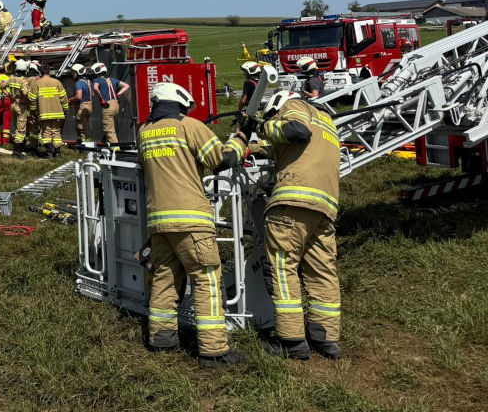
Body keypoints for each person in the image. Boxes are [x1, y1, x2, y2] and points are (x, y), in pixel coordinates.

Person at [139, 81, 246, 367]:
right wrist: (241, 138)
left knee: (164, 278)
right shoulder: (190, 126)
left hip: (158, 221)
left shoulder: (145, 132)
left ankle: (161, 339)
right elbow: (221, 159)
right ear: (180, 102)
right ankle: (213, 350)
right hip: (190, 218)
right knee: (206, 278)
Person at [248, 89, 343, 361]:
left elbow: (296, 131)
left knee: (282, 266)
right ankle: (326, 338)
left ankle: (291, 342)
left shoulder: (295, 105)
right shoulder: (327, 122)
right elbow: (291, 145)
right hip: (325, 207)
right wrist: (252, 147)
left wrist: (262, 126)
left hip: (293, 201)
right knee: (322, 271)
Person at [30, 62, 70, 158]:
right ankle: (57, 153)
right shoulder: (57, 82)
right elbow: (63, 97)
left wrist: (33, 110)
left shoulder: (37, 83)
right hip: (57, 113)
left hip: (44, 113)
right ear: (49, 72)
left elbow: (32, 99)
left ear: (40, 72)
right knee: (56, 132)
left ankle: (49, 153)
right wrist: (66, 109)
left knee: (46, 132)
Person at [91, 63, 130, 146]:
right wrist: (118, 94)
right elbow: (126, 86)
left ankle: (116, 151)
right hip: (116, 105)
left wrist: (101, 99)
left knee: (109, 130)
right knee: (111, 127)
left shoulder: (97, 80)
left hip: (107, 106)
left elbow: (95, 88)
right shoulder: (112, 79)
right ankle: (106, 145)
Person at [9, 59, 31, 159]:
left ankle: (17, 150)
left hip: (13, 105)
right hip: (21, 106)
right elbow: (25, 93)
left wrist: (10, 95)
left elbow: (2, 85)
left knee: (16, 127)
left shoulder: (12, 78)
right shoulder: (23, 80)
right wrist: (26, 98)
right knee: (21, 129)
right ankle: (17, 151)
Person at [71, 64, 93, 144]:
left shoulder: (78, 83)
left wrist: (71, 99)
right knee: (86, 126)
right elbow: (92, 94)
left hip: (82, 106)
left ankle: (83, 147)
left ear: (78, 73)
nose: (73, 74)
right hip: (89, 105)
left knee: (81, 128)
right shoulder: (89, 82)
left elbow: (79, 96)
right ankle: (88, 144)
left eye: (74, 72)